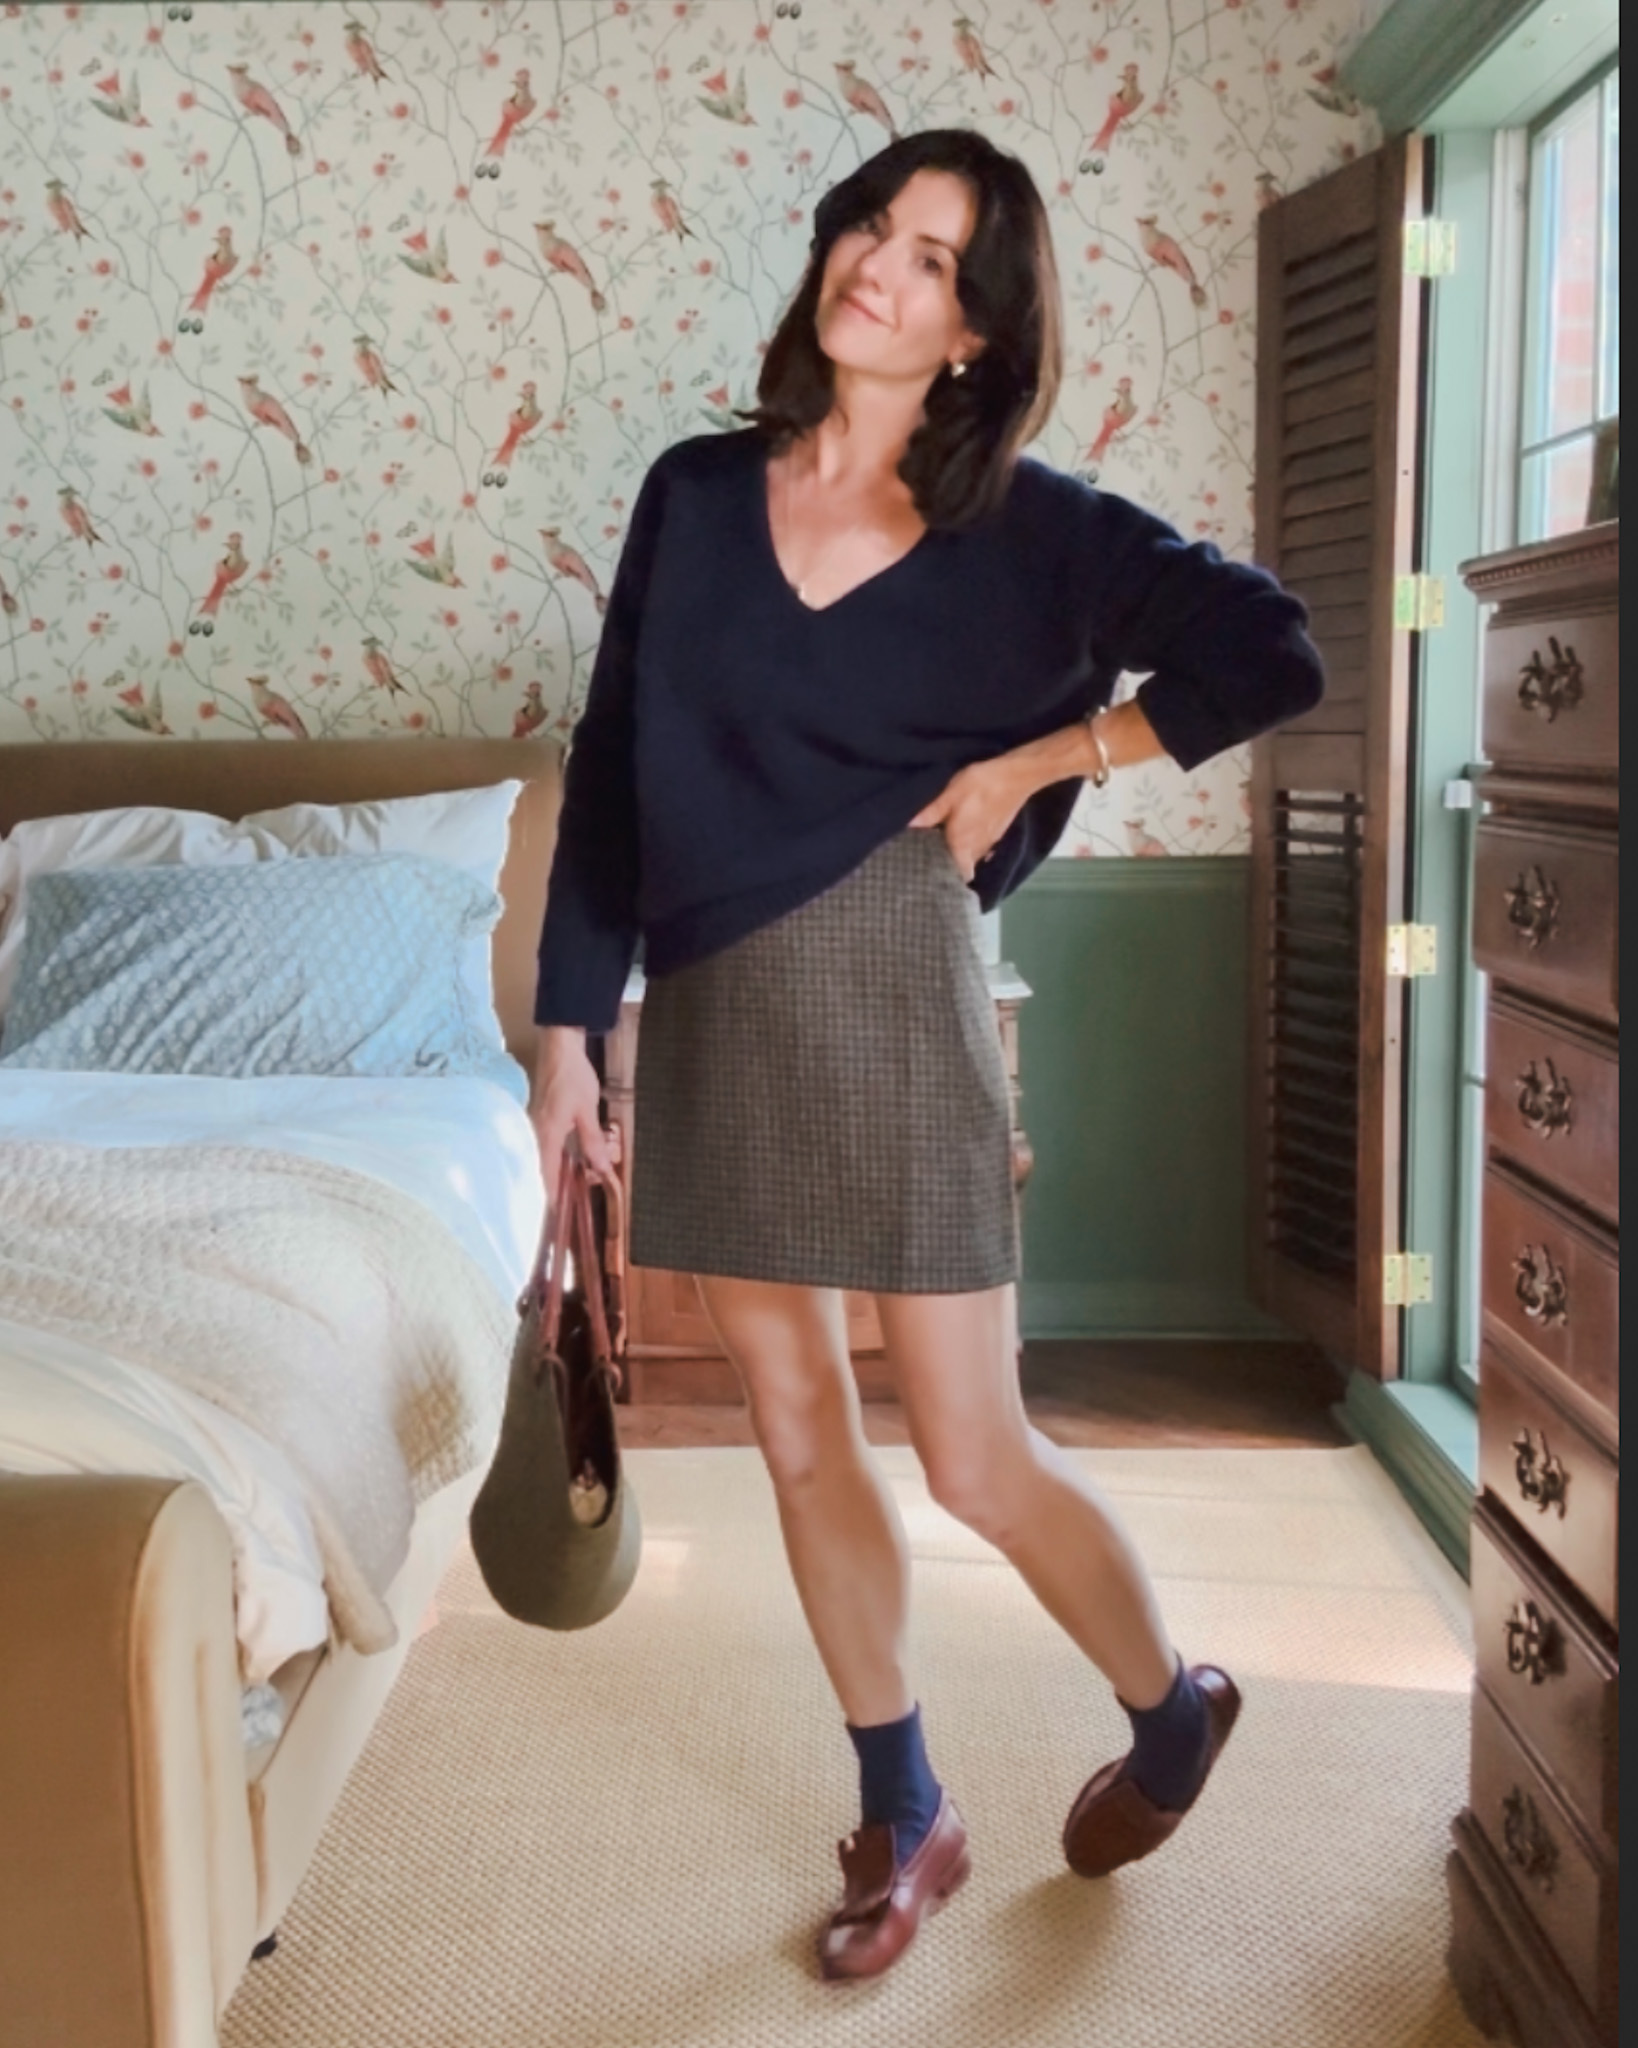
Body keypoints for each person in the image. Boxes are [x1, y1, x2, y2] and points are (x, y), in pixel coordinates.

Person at [531, 127, 1324, 1982]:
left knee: (969, 1450)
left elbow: (1266, 651)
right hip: (711, 996)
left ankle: (1170, 1703)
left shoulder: (1031, 534)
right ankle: (907, 1809)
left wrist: (1047, 762)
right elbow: (606, 772)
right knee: (798, 1431)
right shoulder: (696, 492)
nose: (879, 267)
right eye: (869, 230)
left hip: (897, 982)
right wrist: (570, 1026)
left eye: (932, 257)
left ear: (976, 329)